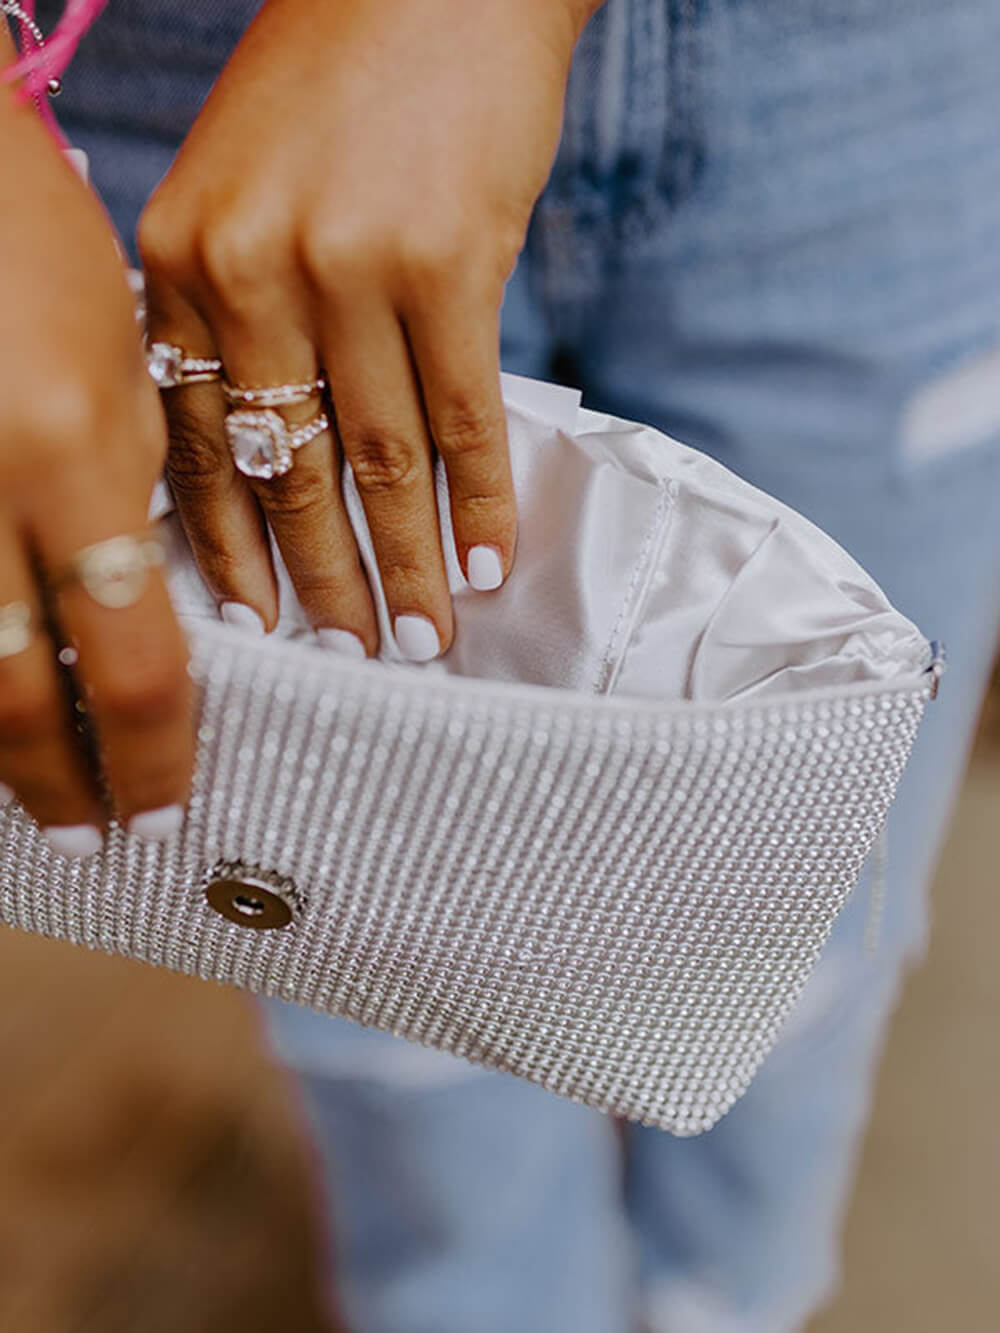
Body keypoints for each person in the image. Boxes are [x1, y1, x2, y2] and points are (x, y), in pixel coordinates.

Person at [2, 1, 998, 1329]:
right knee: (364, 969)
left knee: (797, 962)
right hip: (177, 89)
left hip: (861, 79)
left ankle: (727, 1300)